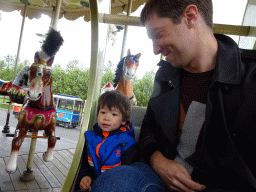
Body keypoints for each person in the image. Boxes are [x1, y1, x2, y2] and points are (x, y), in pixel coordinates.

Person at [89, 0, 256, 192]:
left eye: (158, 35)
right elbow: (148, 131)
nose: (155, 49)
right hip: (155, 177)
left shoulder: (251, 79)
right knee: (113, 183)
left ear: (191, 17)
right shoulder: (165, 75)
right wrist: (159, 161)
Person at [75, 90, 139, 192]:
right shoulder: (90, 139)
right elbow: (85, 166)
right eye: (103, 112)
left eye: (114, 114)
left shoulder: (127, 144)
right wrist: (84, 177)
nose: (106, 118)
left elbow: (127, 175)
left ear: (124, 120)